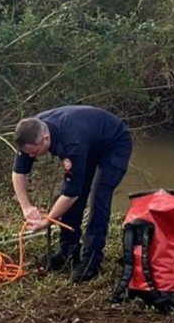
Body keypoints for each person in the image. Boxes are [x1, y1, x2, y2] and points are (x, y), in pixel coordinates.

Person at [12, 105, 133, 283]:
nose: (32, 157)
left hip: (114, 143)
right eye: (28, 153)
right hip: (89, 142)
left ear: (46, 138)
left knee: (98, 197)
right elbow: (18, 173)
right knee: (71, 192)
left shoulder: (72, 143)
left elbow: (71, 194)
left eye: (35, 152)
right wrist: (26, 207)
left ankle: (91, 262)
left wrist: (47, 221)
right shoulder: (29, 131)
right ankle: (68, 251)